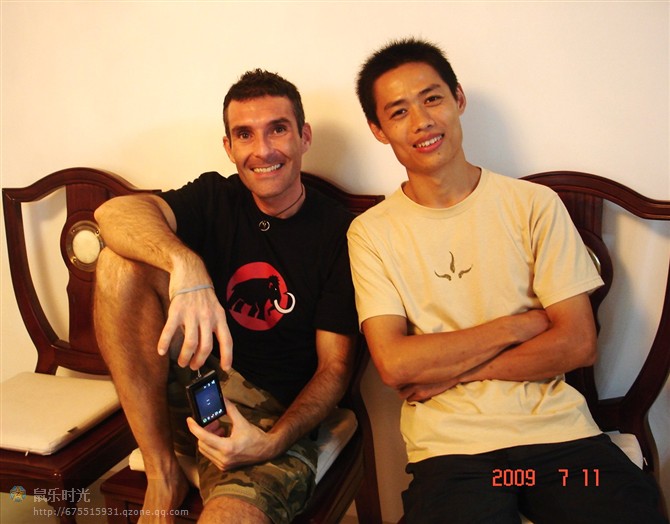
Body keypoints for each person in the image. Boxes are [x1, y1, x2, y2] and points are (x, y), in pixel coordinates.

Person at [348, 38, 666, 523]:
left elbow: (578, 343)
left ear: (458, 99)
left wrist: (454, 374)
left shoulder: (532, 205)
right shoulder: (371, 232)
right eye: (399, 111)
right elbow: (394, 364)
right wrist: (521, 325)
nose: (422, 121)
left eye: (432, 98)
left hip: (561, 441)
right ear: (378, 129)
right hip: (453, 454)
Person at [93, 69, 358, 524]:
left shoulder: (339, 232)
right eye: (245, 134)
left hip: (268, 417)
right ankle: (162, 472)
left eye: (278, 129)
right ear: (229, 146)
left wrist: (273, 442)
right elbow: (113, 213)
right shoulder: (216, 196)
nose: (263, 150)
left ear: (304, 136)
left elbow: (335, 369)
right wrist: (185, 263)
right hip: (189, 384)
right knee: (118, 263)